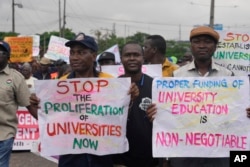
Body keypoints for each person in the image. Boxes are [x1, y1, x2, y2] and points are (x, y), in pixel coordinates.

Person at [29, 33, 139, 167]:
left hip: (102, 156)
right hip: (70, 158)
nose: (75, 57)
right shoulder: (60, 85)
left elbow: (119, 116)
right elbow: (51, 119)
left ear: (93, 56)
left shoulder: (110, 82)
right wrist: (36, 104)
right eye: (72, 53)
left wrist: (130, 98)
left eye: (81, 52)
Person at [147, 26, 235, 167]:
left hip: (217, 151)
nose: (202, 45)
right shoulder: (177, 75)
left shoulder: (228, 76)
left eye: (207, 42)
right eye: (197, 41)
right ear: (191, 46)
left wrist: (245, 113)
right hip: (184, 150)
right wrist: (157, 114)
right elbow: (169, 111)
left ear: (215, 46)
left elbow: (233, 110)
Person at [113, 41, 159, 167]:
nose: (132, 58)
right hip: (119, 160)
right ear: (121, 59)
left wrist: (158, 116)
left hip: (150, 160)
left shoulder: (156, 85)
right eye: (127, 55)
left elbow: (167, 121)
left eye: (136, 55)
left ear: (143, 58)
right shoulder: (112, 87)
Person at [0, 41, 37, 167]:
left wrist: (48, 123)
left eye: (1, 52)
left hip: (4, 135)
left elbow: (29, 105)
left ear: (8, 57)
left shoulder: (16, 78)